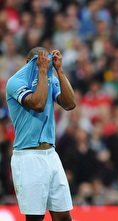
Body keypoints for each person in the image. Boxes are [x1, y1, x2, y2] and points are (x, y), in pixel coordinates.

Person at [5, 47, 76, 221]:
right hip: (28, 156)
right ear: (27, 63)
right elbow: (38, 103)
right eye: (38, 63)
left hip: (51, 155)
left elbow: (70, 103)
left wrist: (58, 70)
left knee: (63, 217)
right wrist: (43, 72)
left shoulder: (50, 77)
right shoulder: (15, 82)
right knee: (35, 218)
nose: (40, 66)